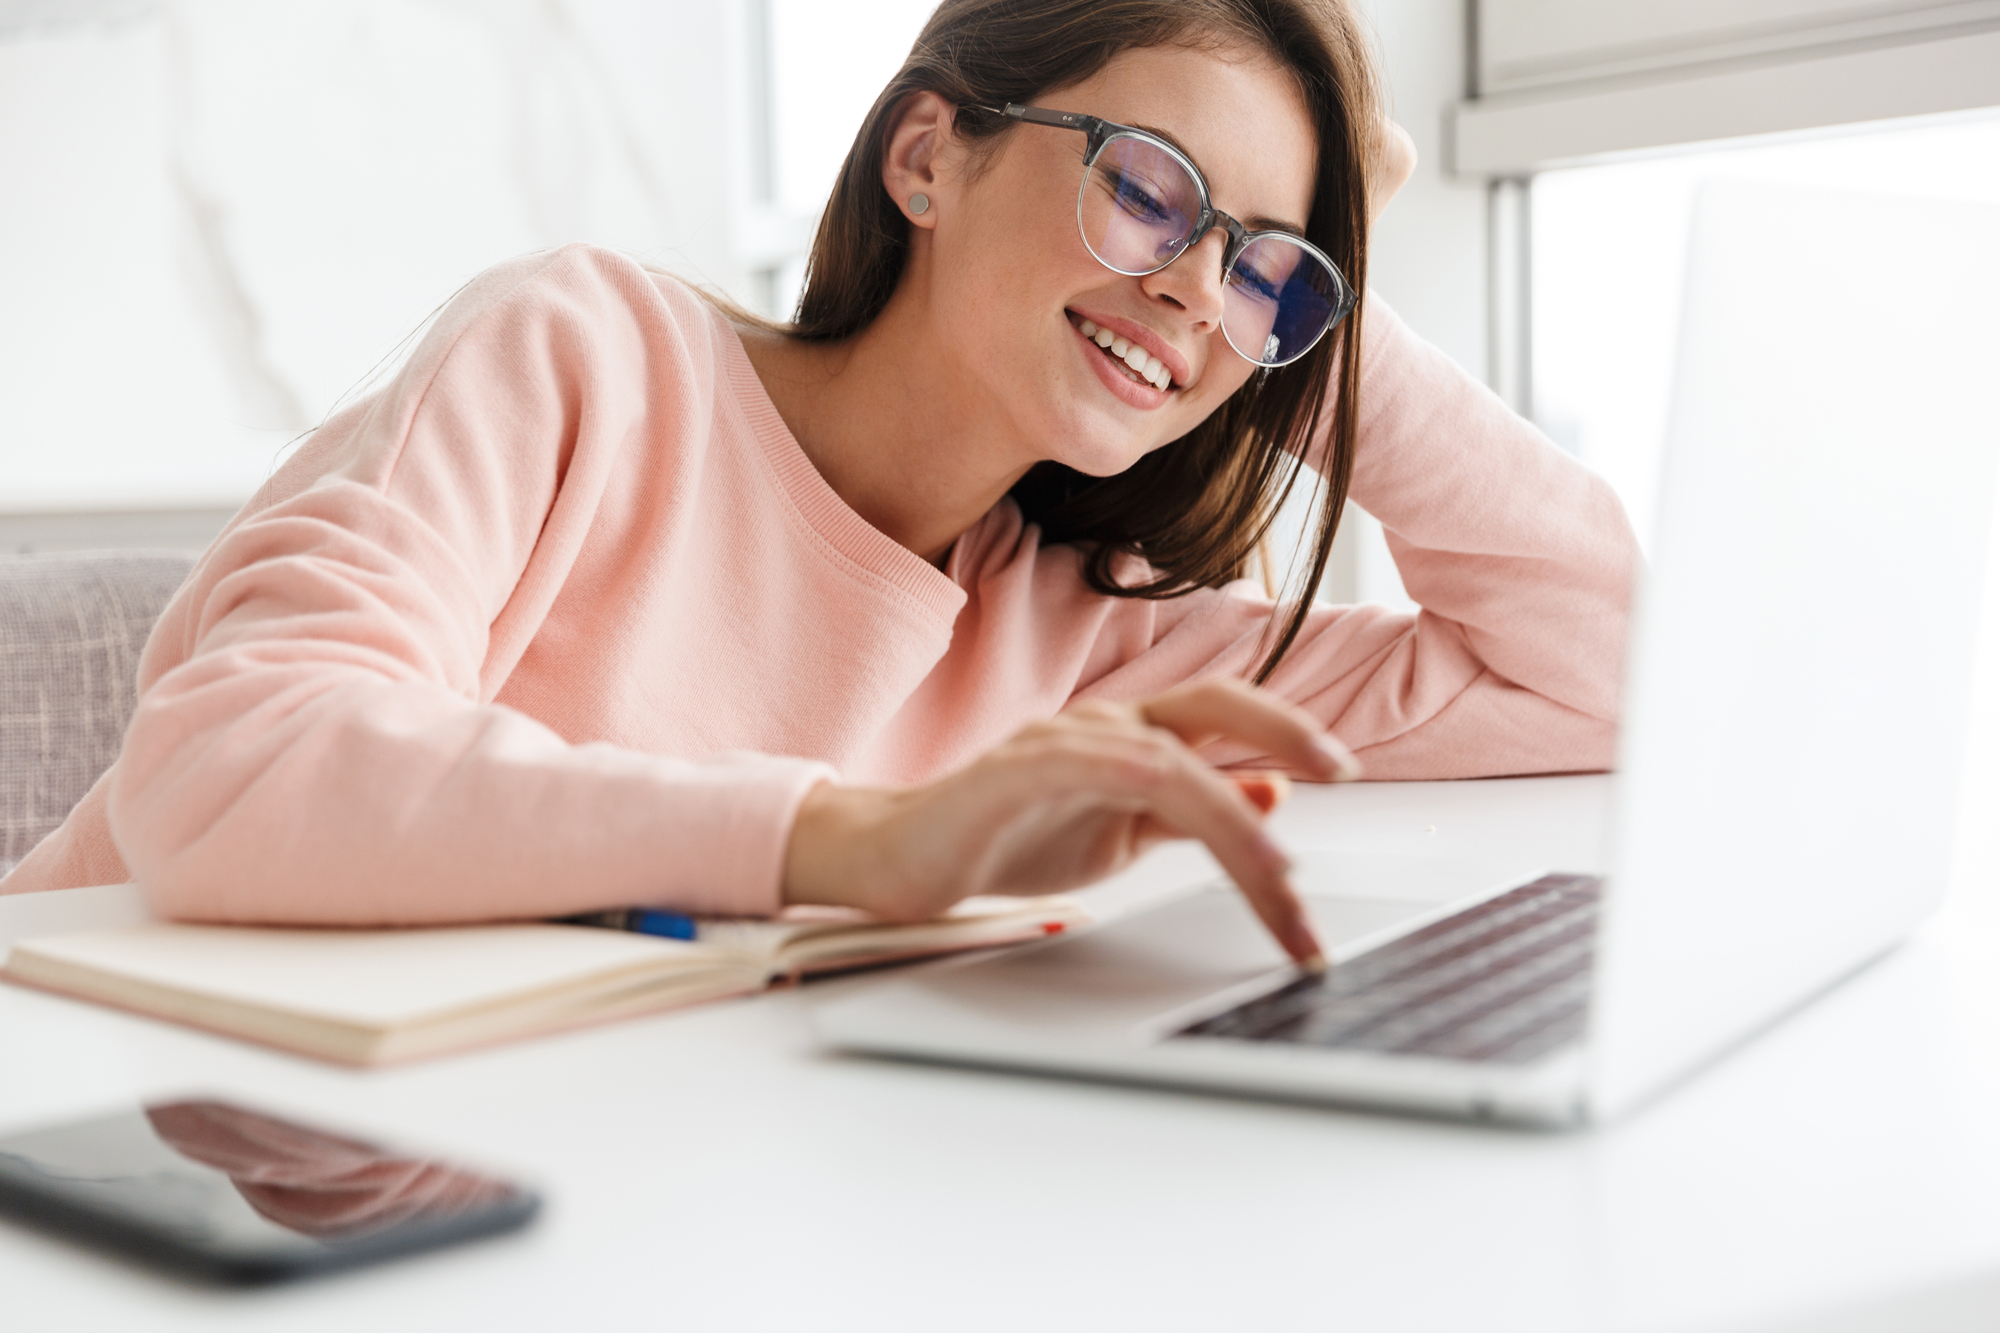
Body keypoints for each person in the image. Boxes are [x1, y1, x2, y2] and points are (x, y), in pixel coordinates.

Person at [1, 0, 1637, 967]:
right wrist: (852, 840)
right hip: (103, 1126)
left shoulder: (1099, 638)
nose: (1196, 293)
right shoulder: (589, 359)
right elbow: (233, 763)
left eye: (1261, 271)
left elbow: (1608, 672)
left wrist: (1313, 304)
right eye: (1153, 190)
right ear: (928, 154)